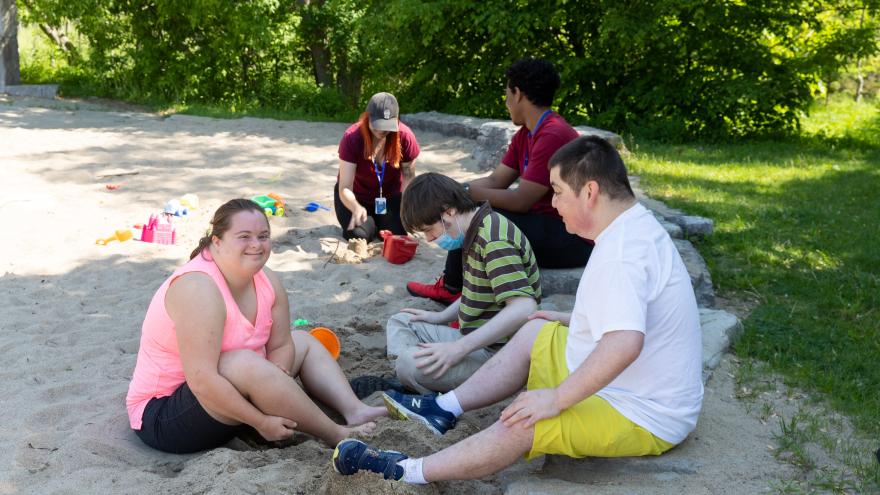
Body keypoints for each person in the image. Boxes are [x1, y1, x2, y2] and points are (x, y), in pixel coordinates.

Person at [331, 136, 703, 484]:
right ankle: (443, 408)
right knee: (537, 329)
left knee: (524, 419)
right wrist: (573, 320)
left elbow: (624, 344)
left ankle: (406, 471)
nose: (552, 204)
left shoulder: (622, 253)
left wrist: (555, 398)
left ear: (589, 192)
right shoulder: (630, 230)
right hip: (629, 380)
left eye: (557, 192)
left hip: (641, 410)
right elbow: (633, 317)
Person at [126, 199, 386, 454]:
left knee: (303, 341)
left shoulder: (266, 280)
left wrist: (274, 378)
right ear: (217, 241)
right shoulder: (198, 288)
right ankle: (335, 433)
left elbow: (282, 344)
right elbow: (202, 380)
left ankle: (354, 410)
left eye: (263, 236)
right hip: (166, 415)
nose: (256, 245)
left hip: (229, 394)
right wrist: (261, 421)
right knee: (242, 363)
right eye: (244, 236)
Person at [407, 57, 591, 304]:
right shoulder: (527, 134)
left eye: (506, 95)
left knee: (478, 216)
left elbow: (521, 200)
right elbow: (496, 180)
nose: (506, 103)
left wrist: (467, 194)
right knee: (471, 209)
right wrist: (457, 191)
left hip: (572, 237)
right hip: (547, 225)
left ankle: (452, 288)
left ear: (517, 94)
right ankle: (456, 285)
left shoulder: (552, 134)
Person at [383, 172, 541, 397]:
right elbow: (477, 292)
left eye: (429, 230)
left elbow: (524, 307)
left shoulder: (493, 240)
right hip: (473, 339)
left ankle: (422, 388)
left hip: (498, 355)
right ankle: (416, 377)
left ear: (449, 211)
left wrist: (459, 349)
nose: (429, 239)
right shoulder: (476, 229)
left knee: (409, 364)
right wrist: (439, 318)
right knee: (402, 321)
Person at [334, 92, 420, 242]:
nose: (381, 130)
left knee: (396, 235)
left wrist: (406, 209)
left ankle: (379, 222)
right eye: (377, 124)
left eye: (387, 126)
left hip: (390, 198)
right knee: (359, 235)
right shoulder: (352, 137)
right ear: (367, 117)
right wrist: (355, 207)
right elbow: (344, 187)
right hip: (355, 197)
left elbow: (408, 178)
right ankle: (371, 222)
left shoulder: (405, 136)